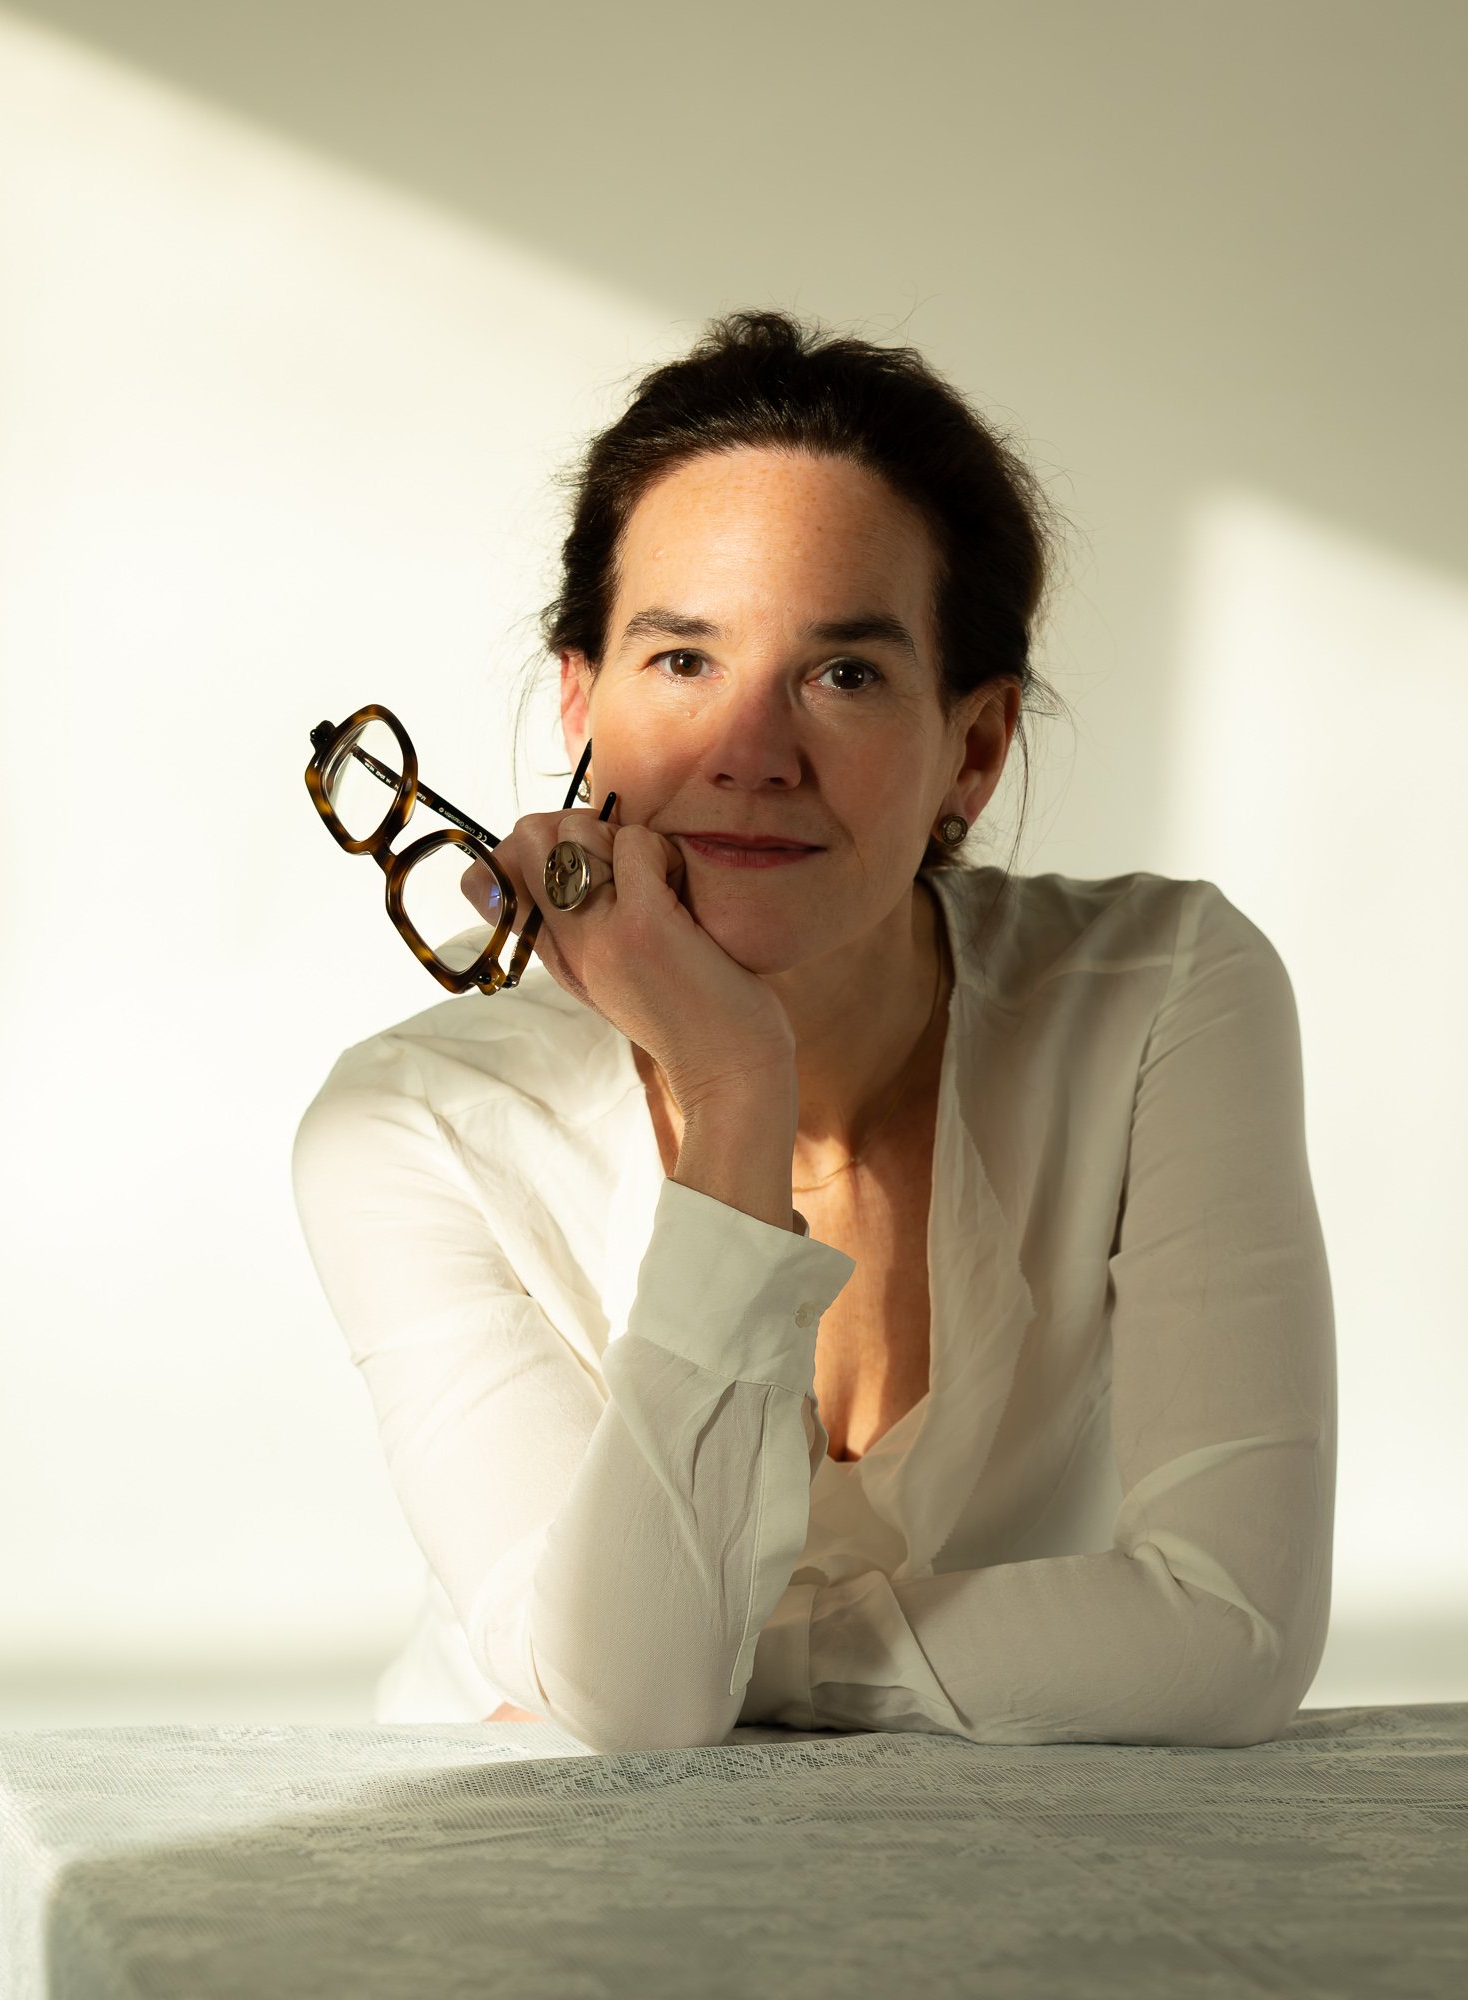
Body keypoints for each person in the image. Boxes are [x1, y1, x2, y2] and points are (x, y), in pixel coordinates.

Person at [291, 308, 1336, 1754]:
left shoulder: (1160, 991)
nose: (748, 753)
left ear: (970, 747)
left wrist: (728, 1657)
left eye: (842, 674)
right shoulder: (408, 1129)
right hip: (520, 1893)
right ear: (579, 701)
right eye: (679, 664)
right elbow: (636, 1723)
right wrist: (735, 1086)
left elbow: (1227, 1633)